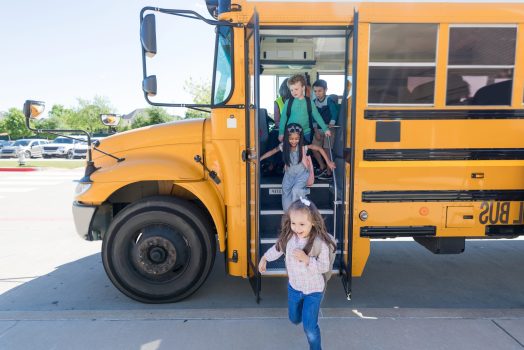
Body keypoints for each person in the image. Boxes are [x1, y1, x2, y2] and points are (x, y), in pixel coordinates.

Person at [258, 198, 337, 350]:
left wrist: (307, 259)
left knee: (310, 328)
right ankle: (303, 314)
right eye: (293, 223)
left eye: (302, 224)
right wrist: (265, 258)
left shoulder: (320, 243)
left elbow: (324, 266)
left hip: (314, 291)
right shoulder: (289, 238)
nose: (297, 228)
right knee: (294, 318)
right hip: (294, 288)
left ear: (313, 222)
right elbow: (277, 249)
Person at [260, 123, 335, 211]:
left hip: (301, 175)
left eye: (297, 139)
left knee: (296, 190)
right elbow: (272, 151)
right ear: (287, 138)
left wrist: (329, 162)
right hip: (288, 177)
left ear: (300, 138)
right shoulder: (283, 146)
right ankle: (292, 219)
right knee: (286, 206)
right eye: (291, 139)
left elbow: (319, 149)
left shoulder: (302, 147)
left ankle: (303, 206)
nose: (294, 141)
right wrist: (260, 158)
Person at [278, 74, 331, 145]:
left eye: (296, 89)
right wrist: (281, 132)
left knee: (303, 154)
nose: (294, 92)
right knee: (292, 154)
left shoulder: (309, 102)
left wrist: (325, 129)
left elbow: (317, 116)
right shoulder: (288, 102)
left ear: (303, 88)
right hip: (290, 133)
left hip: (306, 133)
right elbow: (283, 118)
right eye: (291, 90)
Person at [311, 79, 339, 180]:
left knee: (328, 151)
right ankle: (322, 166)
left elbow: (334, 113)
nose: (317, 93)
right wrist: (315, 130)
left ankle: (329, 171)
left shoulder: (329, 100)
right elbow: (313, 117)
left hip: (329, 129)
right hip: (318, 129)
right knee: (314, 149)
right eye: (315, 91)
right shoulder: (313, 102)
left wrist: (331, 124)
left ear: (325, 90)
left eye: (320, 91)